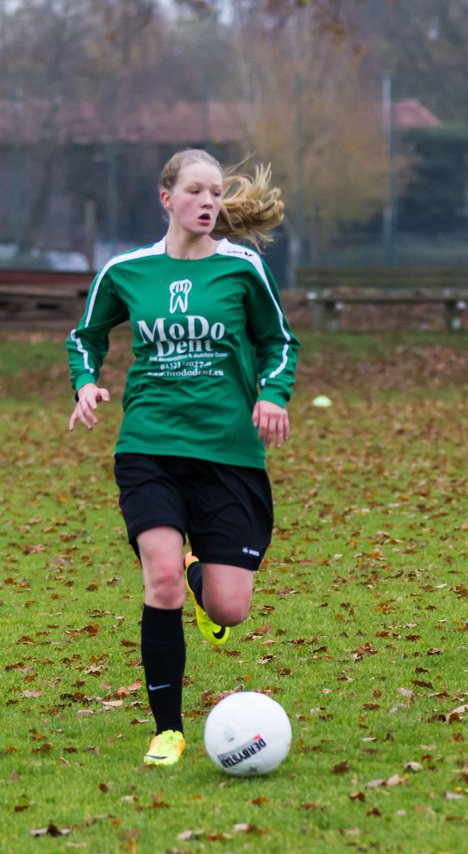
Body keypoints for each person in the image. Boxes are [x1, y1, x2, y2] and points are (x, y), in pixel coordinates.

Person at [66, 148, 298, 767]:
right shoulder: (126, 271)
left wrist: (273, 394)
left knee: (229, 607)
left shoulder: (243, 268)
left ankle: (201, 574)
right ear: (166, 198)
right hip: (149, 445)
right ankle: (166, 729)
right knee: (159, 579)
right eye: (195, 191)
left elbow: (278, 341)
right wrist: (85, 383)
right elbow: (85, 336)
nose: (208, 203)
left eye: (216, 194)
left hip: (228, 453)